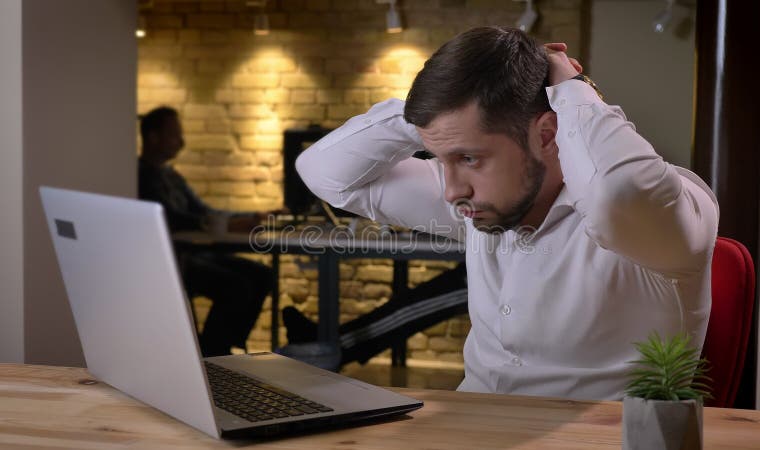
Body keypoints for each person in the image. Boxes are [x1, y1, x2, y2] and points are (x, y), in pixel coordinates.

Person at [295, 27, 719, 401]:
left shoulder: (665, 216)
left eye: (470, 158)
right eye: (443, 160)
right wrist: (438, 118)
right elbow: (324, 172)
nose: (451, 190)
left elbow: (616, 193)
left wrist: (571, 86)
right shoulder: (482, 201)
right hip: (473, 430)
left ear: (548, 134)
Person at [138, 106, 273, 357]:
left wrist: (248, 218)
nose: (181, 141)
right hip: (173, 260)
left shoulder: (171, 176)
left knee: (263, 275)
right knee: (236, 286)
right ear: (153, 137)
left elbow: (203, 211)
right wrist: (221, 224)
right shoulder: (140, 175)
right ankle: (212, 355)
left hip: (197, 254)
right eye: (174, 134)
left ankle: (226, 345)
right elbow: (171, 216)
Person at [282, 262, 468, 367]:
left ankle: (338, 346)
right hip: (474, 270)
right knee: (411, 303)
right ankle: (337, 341)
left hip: (476, 281)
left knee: (412, 309)